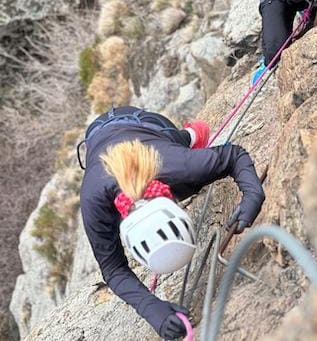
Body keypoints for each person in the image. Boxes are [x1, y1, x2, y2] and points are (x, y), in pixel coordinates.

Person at [78, 106, 265, 340]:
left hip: (147, 124)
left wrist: (253, 194)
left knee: (179, 143)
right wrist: (152, 309)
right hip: (98, 136)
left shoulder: (180, 166)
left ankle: (193, 134)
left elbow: (234, 156)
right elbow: (112, 268)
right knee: (180, 159)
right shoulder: (94, 203)